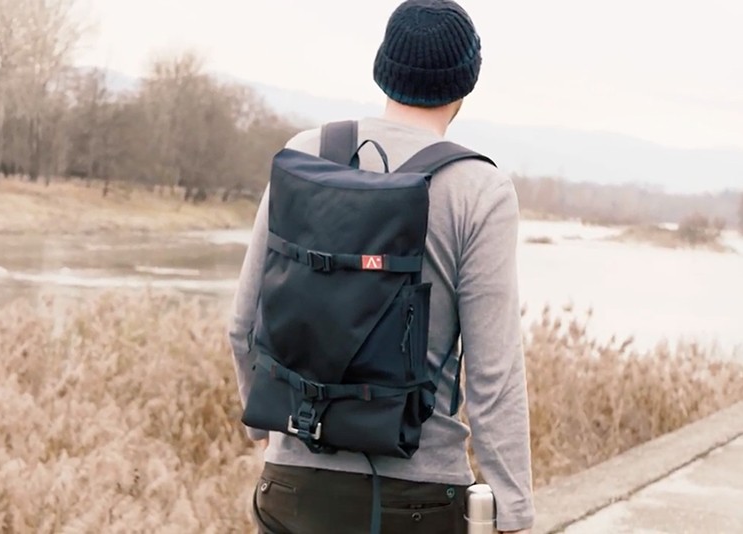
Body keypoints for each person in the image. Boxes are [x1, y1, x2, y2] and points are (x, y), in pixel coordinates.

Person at [228, 0, 534, 532]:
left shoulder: (304, 154)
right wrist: (513, 509)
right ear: (467, 82)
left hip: (291, 486)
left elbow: (241, 325)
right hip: (416, 497)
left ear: (382, 68)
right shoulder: (479, 190)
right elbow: (494, 376)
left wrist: (268, 429)